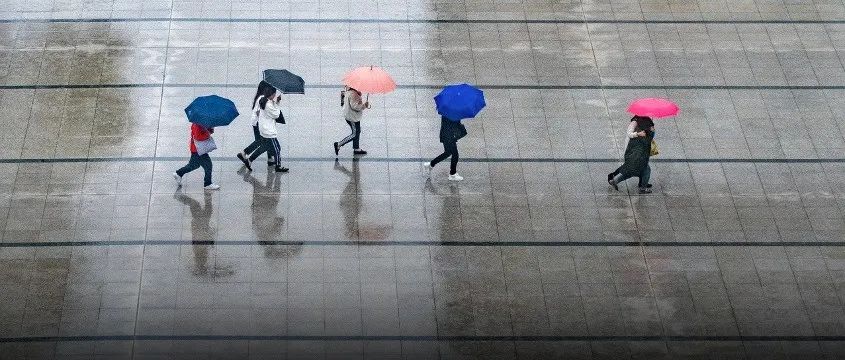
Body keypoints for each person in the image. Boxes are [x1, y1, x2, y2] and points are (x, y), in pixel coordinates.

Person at [237, 81, 278, 171]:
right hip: (259, 123)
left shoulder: (260, 96)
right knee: (264, 142)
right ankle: (246, 154)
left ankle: (269, 158)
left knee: (262, 141)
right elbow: (260, 111)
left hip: (256, 122)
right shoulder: (262, 98)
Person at [608, 116, 655, 194]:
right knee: (644, 169)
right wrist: (638, 133)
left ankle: (615, 180)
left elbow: (649, 137)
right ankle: (642, 188)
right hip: (634, 151)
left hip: (641, 151)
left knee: (632, 170)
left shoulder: (648, 123)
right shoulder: (635, 123)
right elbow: (629, 134)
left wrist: (651, 130)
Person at [173, 122, 219, 190]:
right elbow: (198, 137)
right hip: (198, 150)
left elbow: (203, 133)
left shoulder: (200, 123)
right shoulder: (197, 125)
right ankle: (208, 184)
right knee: (208, 165)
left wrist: (210, 130)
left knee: (194, 165)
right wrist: (208, 133)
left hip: (196, 149)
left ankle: (179, 173)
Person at [252, 90, 288, 173]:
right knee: (277, 149)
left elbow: (272, 109)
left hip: (265, 129)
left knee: (271, 147)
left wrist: (277, 101)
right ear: (271, 94)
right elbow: (276, 114)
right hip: (269, 131)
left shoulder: (265, 101)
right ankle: (278, 166)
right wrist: (278, 105)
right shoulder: (268, 104)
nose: (275, 96)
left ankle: (250, 159)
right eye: (274, 94)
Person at [423, 115, 467, 181]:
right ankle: (452, 174)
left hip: (446, 135)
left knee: (447, 153)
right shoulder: (452, 113)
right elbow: (454, 124)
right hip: (449, 136)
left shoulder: (446, 111)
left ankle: (431, 164)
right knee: (455, 155)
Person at [333, 86, 369, 156]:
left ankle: (356, 148)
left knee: (357, 131)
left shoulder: (350, 91)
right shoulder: (353, 94)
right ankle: (338, 144)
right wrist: (364, 105)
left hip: (353, 115)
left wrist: (358, 95)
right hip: (352, 117)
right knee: (355, 134)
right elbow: (355, 107)